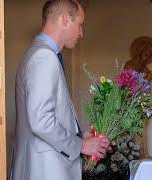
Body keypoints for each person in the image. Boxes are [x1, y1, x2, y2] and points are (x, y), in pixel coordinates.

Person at [9, 1, 110, 180]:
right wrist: (80, 145)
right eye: (80, 24)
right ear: (65, 19)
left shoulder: (42, 54)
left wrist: (79, 136)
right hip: (45, 170)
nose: (81, 32)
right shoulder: (43, 57)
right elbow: (41, 120)